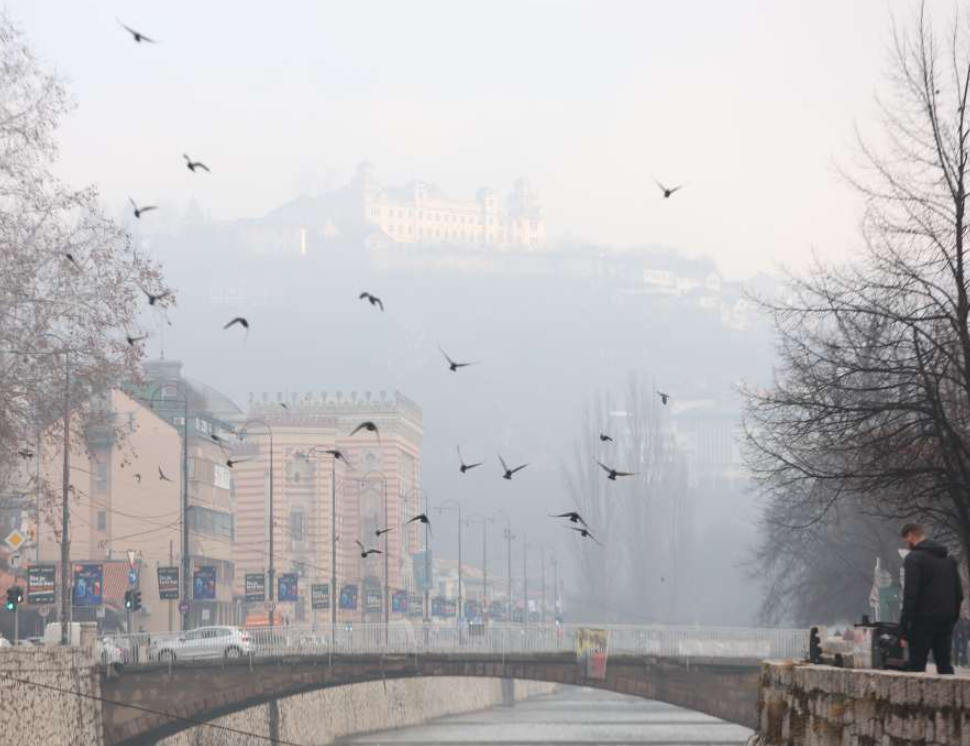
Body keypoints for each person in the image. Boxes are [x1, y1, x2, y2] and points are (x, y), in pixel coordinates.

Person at [899, 523, 964, 674]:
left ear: (910, 536)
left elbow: (910, 596)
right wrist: (951, 619)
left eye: (905, 541)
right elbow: (958, 595)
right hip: (945, 621)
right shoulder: (949, 560)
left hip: (922, 622)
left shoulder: (913, 559)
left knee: (916, 668)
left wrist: (904, 629)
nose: (906, 544)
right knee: (945, 666)